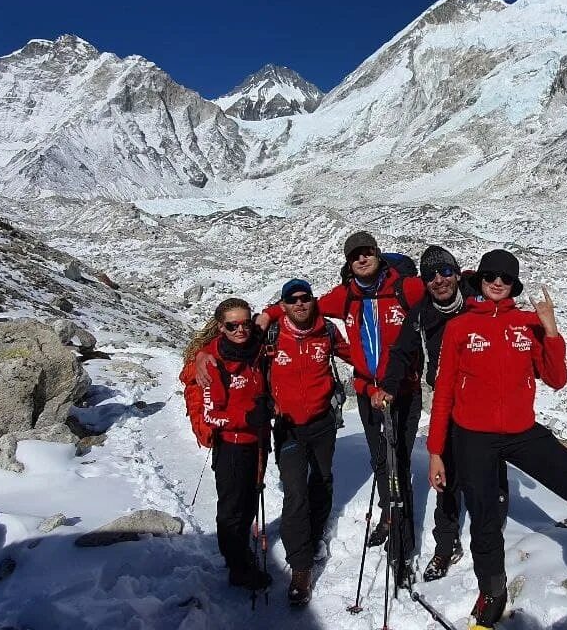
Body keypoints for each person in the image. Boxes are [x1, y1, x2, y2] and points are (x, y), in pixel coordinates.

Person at [427, 250, 567, 629]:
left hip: (523, 432)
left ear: (513, 285)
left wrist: (551, 330)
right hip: (473, 437)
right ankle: (492, 592)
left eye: (505, 278)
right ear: (480, 279)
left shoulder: (527, 325)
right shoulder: (460, 328)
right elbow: (443, 393)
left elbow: (556, 378)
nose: (497, 282)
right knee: (486, 521)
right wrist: (436, 452)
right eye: (490, 275)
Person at [257, 230, 426, 582]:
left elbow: (444, 292)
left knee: (400, 462)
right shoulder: (344, 297)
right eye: (355, 256)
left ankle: (401, 542)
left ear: (378, 255)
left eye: (367, 253)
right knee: (381, 459)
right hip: (367, 392)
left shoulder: (404, 288)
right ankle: (387, 516)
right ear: (348, 265)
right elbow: (306, 304)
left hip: (404, 391)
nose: (362, 259)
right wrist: (270, 313)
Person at [383, 245, 507, 582]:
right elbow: (401, 353)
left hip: (487, 402)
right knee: (447, 477)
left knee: (490, 473)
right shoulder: (422, 313)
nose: (439, 280)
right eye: (431, 276)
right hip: (449, 403)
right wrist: (389, 387)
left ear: (456, 271)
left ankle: (493, 533)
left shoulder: (478, 300)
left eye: (446, 272)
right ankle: (446, 545)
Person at [266, 278, 349, 607]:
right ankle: (301, 566)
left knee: (323, 480)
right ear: (283, 305)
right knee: (295, 490)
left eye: (305, 298)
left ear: (313, 301)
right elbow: (230, 346)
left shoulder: (326, 331)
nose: (300, 304)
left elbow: (354, 354)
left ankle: (313, 534)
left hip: (322, 423)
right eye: (292, 299)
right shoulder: (271, 333)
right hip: (287, 427)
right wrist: (203, 361)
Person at [181, 298, 272, 592]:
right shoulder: (212, 363)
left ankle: (242, 553)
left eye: (245, 323)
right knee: (232, 507)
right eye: (233, 325)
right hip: (232, 447)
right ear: (221, 327)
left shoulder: (253, 346)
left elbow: (282, 306)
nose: (241, 330)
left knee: (249, 499)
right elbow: (210, 415)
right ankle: (238, 567)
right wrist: (247, 416)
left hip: (257, 440)